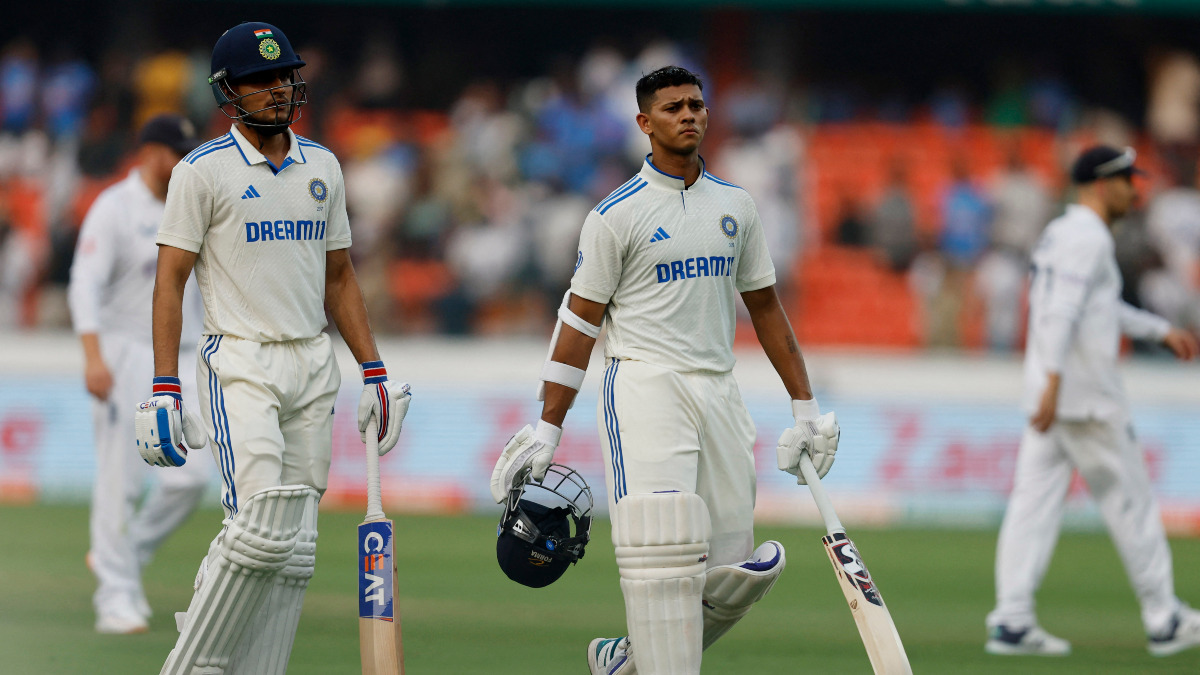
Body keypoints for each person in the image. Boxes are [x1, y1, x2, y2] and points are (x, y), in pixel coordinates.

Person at [489, 65, 840, 675]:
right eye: (673, 107)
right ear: (644, 123)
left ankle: (626, 663)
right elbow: (579, 323)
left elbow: (766, 309)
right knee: (664, 551)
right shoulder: (615, 215)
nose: (688, 115)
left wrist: (805, 409)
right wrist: (548, 427)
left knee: (733, 576)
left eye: (696, 105)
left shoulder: (736, 206)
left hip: (719, 389)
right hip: (645, 386)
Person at [131, 22, 410, 675]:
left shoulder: (323, 166)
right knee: (258, 528)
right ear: (228, 91)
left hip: (312, 362)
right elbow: (170, 279)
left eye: (284, 74)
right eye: (261, 79)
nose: (278, 88)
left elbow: (339, 277)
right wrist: (165, 385)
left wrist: (373, 370)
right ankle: (193, 663)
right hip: (240, 360)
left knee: (296, 547)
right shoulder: (201, 171)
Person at [986, 146, 1200, 657]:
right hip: (1086, 399)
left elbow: (1096, 307)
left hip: (1051, 395)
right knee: (1132, 503)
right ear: (1103, 184)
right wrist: (1056, 380)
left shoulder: (1061, 232)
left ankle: (1012, 619)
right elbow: (1062, 311)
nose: (1134, 190)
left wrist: (1158, 330)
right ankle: (1164, 617)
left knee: (1031, 507)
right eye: (1127, 180)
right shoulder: (1090, 238)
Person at [67, 114, 212, 634]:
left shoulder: (191, 206)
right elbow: (84, 284)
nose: (184, 163)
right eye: (177, 153)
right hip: (125, 350)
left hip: (184, 355)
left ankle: (125, 556)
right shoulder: (115, 207)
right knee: (121, 480)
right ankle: (115, 598)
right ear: (150, 152)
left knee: (191, 477)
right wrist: (93, 356)